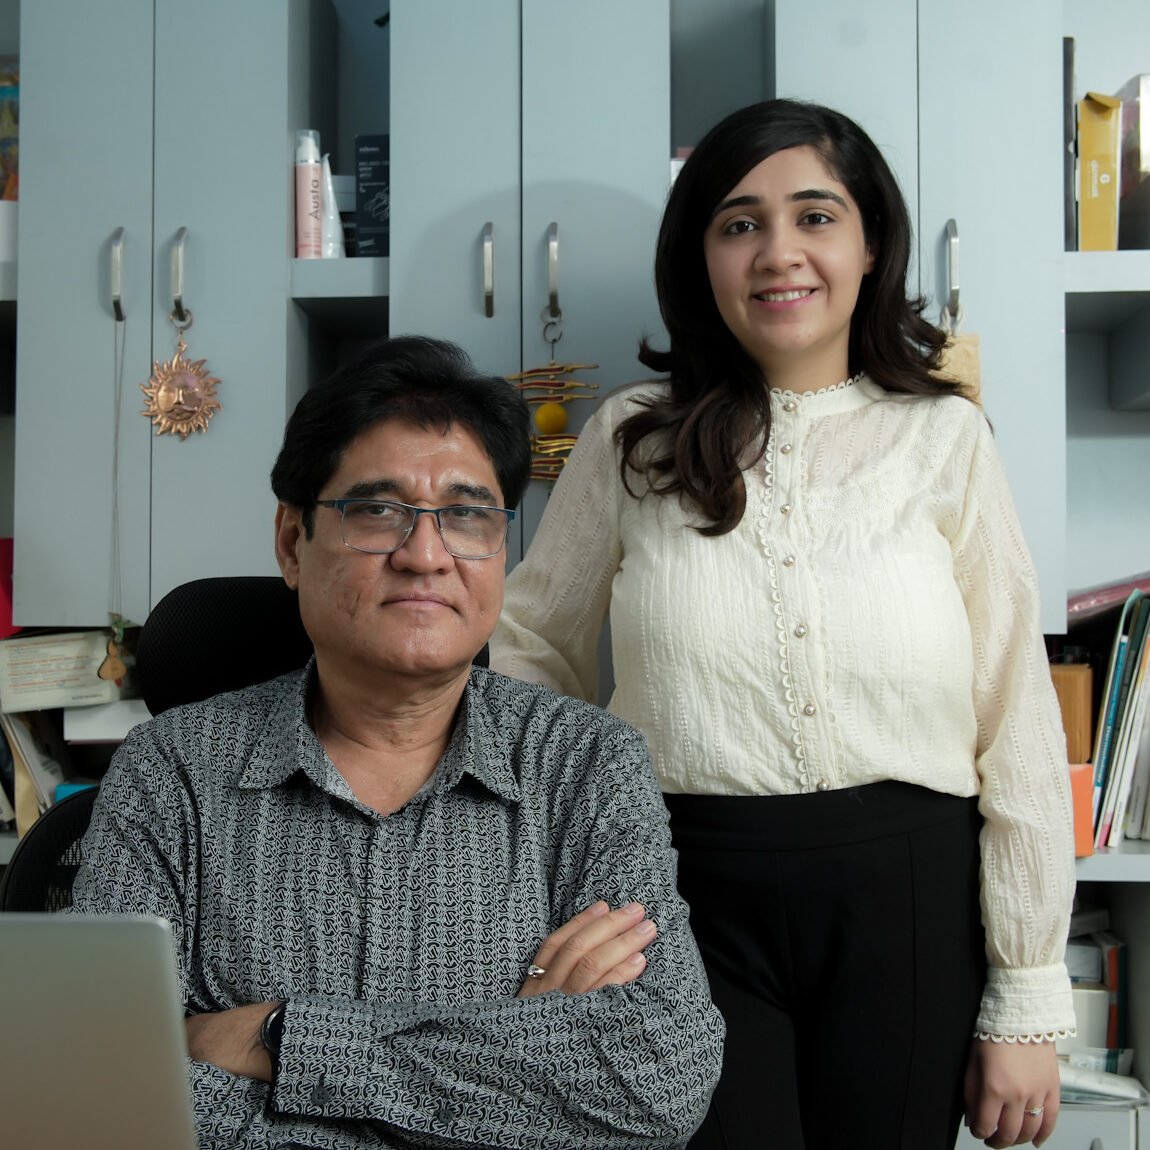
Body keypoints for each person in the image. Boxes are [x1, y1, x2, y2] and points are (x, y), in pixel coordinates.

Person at [490, 99, 1076, 1150]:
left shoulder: (943, 438)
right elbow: (529, 651)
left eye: (814, 216)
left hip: (910, 895)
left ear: (868, 245)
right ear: (702, 258)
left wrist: (1027, 990)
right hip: (681, 897)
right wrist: (562, 868)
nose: (778, 253)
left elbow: (1013, 712)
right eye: (738, 222)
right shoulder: (632, 439)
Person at [70, 335, 724, 1150]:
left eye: (467, 515)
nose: (425, 556)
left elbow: (655, 1077)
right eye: (376, 511)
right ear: (291, 543)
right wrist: (499, 1084)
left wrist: (275, 1037)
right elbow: (103, 1083)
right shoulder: (170, 771)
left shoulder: (587, 764)